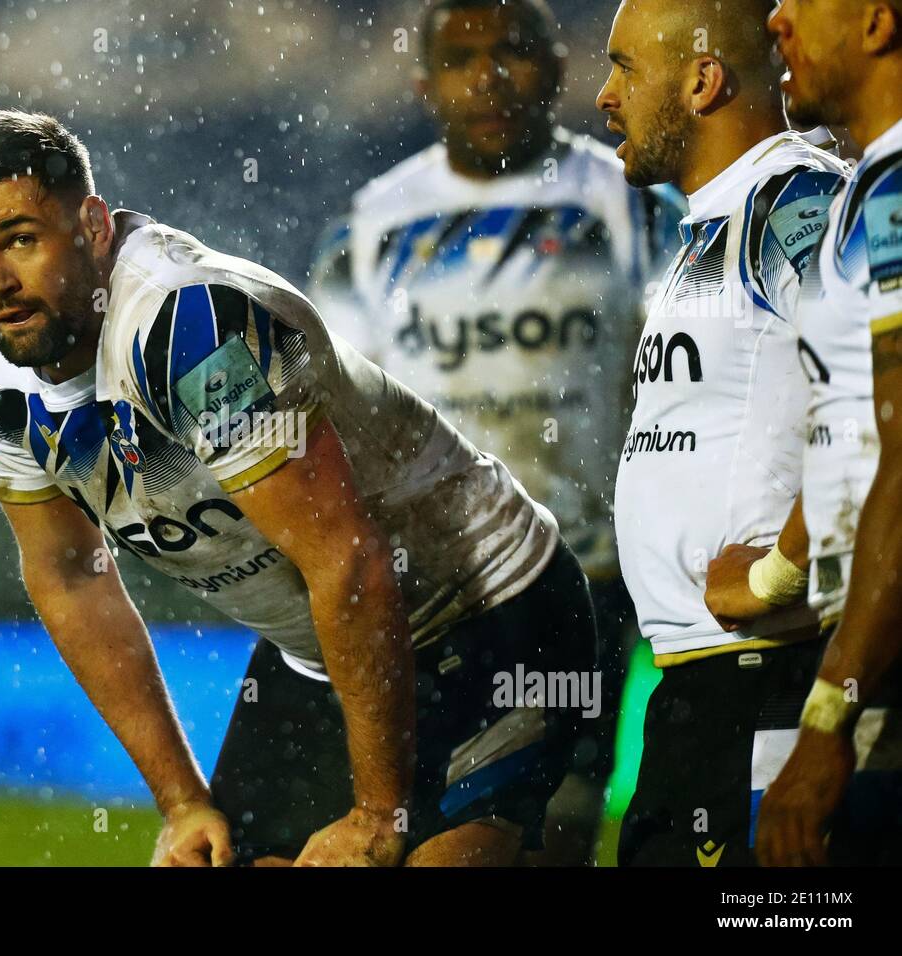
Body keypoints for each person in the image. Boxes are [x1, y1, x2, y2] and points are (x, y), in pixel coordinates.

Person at [0, 108, 600, 866]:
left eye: (20, 239)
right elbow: (67, 576)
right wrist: (183, 803)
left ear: (91, 223)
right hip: (325, 654)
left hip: (488, 607)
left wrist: (381, 814)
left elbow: (346, 557)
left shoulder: (187, 326)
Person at [308, 0, 684, 863]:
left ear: (557, 68)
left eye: (513, 51)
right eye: (461, 57)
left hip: (578, 578)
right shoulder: (369, 228)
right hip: (424, 590)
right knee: (409, 820)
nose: (488, 77)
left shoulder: (636, 206)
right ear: (424, 83)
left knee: (557, 819)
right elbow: (334, 413)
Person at [597, 0, 850, 866]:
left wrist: (781, 570)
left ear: (704, 79)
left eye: (625, 68)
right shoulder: (720, 219)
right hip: (704, 691)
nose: (604, 95)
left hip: (768, 682)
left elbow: (881, 404)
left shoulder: (797, 203)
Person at [705, 0, 902, 866]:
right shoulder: (870, 186)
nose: (776, 18)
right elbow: (854, 436)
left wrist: (831, 713)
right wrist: (785, 571)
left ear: (877, 25)